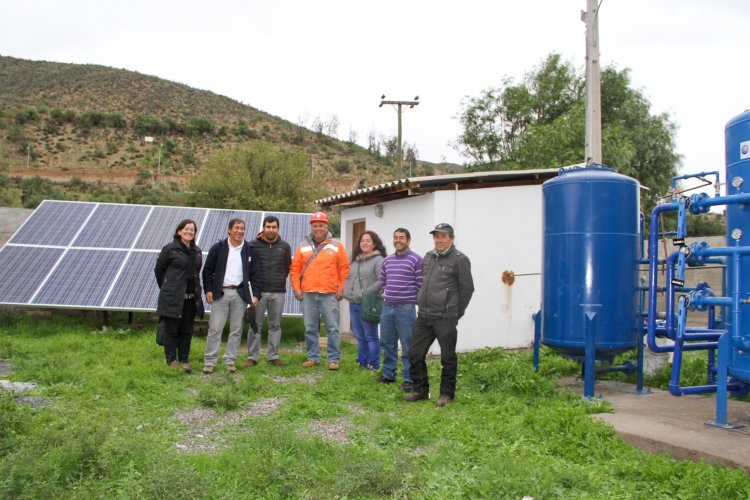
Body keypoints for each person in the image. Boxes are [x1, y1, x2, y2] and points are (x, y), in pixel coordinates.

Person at [405, 223, 474, 407]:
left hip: (445, 317)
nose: (439, 240)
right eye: (436, 236)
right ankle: (421, 391)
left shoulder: (460, 259)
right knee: (414, 354)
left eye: (443, 236)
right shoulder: (428, 257)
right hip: (425, 315)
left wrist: (455, 313)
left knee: (447, 357)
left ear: (451, 238)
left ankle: (446, 394)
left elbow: (467, 289)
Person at [289, 211, 350, 370]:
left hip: (329, 294)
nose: (318, 228)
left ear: (326, 226)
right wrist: (297, 288)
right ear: (311, 227)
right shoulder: (302, 246)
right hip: (308, 294)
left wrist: (341, 287)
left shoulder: (336, 246)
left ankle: (333, 360)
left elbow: (344, 269)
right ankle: (313, 357)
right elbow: (295, 269)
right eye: (315, 225)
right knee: (310, 328)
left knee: (333, 328)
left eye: (321, 225)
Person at [202, 218, 260, 374]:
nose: (240, 231)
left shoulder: (249, 249)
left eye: (242, 228)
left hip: (240, 294)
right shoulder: (218, 248)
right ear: (229, 230)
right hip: (220, 293)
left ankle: (230, 360)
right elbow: (207, 270)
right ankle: (209, 361)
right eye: (237, 228)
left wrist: (255, 295)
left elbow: (255, 275)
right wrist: (208, 289)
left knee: (236, 329)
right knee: (215, 328)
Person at [154, 219, 205, 373]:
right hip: (173, 297)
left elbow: (196, 273)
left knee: (186, 330)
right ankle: (171, 360)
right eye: (186, 229)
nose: (189, 232)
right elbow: (159, 271)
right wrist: (169, 288)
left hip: (190, 298)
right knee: (171, 329)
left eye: (192, 230)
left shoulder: (197, 251)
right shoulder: (170, 249)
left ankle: (184, 359)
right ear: (179, 231)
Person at [379, 228, 422, 391]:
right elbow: (383, 281)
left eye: (402, 238)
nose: (398, 240)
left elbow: (421, 285)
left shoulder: (416, 260)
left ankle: (408, 378)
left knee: (407, 344)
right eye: (396, 237)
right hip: (387, 306)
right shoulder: (387, 260)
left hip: (406, 308)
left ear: (408, 240)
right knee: (387, 342)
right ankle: (388, 374)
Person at [247, 215, 292, 367]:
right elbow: (249, 268)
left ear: (278, 229)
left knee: (275, 325)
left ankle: (273, 356)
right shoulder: (252, 245)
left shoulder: (284, 246)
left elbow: (287, 268)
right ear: (264, 228)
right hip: (258, 293)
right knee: (255, 325)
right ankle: (252, 357)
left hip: (278, 291)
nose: (271, 230)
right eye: (268, 227)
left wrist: (278, 278)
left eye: (274, 227)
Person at [343, 230, 386, 370]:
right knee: (360, 336)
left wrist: (367, 293)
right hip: (353, 303)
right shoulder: (355, 259)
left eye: (368, 241)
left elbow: (383, 280)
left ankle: (374, 364)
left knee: (370, 336)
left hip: (368, 303)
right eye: (362, 240)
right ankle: (362, 362)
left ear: (374, 244)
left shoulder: (378, 260)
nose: (364, 243)